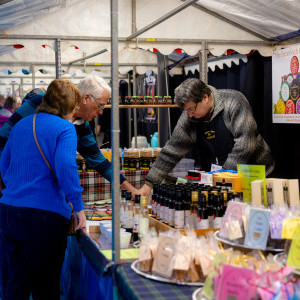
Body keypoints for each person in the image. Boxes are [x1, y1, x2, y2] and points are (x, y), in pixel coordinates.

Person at [0, 79, 86, 299]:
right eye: (75, 107)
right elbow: (66, 167)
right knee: (46, 286)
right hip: (44, 217)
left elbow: (4, 163)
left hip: (9, 210)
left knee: (15, 284)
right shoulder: (65, 128)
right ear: (68, 106)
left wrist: (17, 188)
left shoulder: (20, 124)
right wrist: (79, 208)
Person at [0, 75, 139, 195]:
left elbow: (98, 161)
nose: (101, 112)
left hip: (48, 193)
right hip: (20, 187)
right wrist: (6, 181)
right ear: (86, 98)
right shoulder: (42, 101)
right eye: (100, 106)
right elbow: (3, 137)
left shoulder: (82, 124)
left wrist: (129, 188)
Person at [139, 78, 275, 197]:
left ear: (205, 97)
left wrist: (222, 178)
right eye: (186, 111)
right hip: (220, 180)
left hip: (254, 174)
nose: (190, 115)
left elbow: (246, 145)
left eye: (192, 109)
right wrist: (149, 183)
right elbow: (172, 149)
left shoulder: (234, 101)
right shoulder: (189, 116)